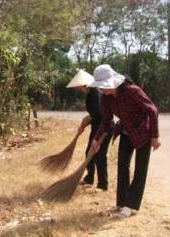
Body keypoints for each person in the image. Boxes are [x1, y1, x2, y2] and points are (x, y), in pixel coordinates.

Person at [89, 64, 161, 217]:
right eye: (100, 87)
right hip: (125, 131)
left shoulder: (131, 91)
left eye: (104, 86)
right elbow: (106, 120)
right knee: (122, 166)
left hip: (143, 132)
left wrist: (155, 136)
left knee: (140, 169)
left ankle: (131, 206)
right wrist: (96, 140)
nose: (102, 90)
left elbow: (152, 110)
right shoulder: (106, 98)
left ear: (113, 81)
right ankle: (121, 203)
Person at [66, 69, 113, 191]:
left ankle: (103, 185)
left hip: (104, 128)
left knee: (100, 155)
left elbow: (99, 114)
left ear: (84, 84)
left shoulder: (95, 93)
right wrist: (85, 122)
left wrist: (87, 120)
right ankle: (89, 178)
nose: (77, 88)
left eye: (78, 86)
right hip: (97, 127)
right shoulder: (91, 93)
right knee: (89, 153)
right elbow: (93, 114)